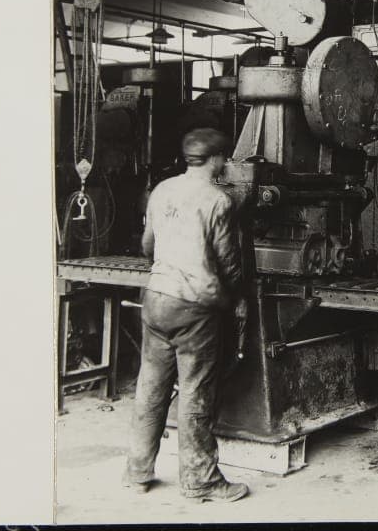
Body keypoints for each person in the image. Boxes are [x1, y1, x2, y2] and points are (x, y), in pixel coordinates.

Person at [124, 128, 250, 502]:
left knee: (150, 388)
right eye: (224, 158)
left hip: (156, 299)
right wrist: (237, 296)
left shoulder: (162, 190)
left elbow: (147, 245)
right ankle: (201, 481)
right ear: (217, 159)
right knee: (196, 393)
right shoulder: (218, 200)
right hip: (195, 308)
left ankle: (137, 472)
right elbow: (228, 262)